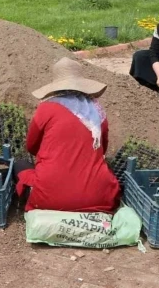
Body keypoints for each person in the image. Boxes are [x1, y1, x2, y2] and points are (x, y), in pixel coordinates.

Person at [15, 57, 120, 213]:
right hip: (97, 196)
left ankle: (31, 199)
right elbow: (101, 150)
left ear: (56, 86)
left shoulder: (46, 108)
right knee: (105, 169)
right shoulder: (96, 112)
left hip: (50, 196)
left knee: (20, 165)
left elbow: (31, 146)